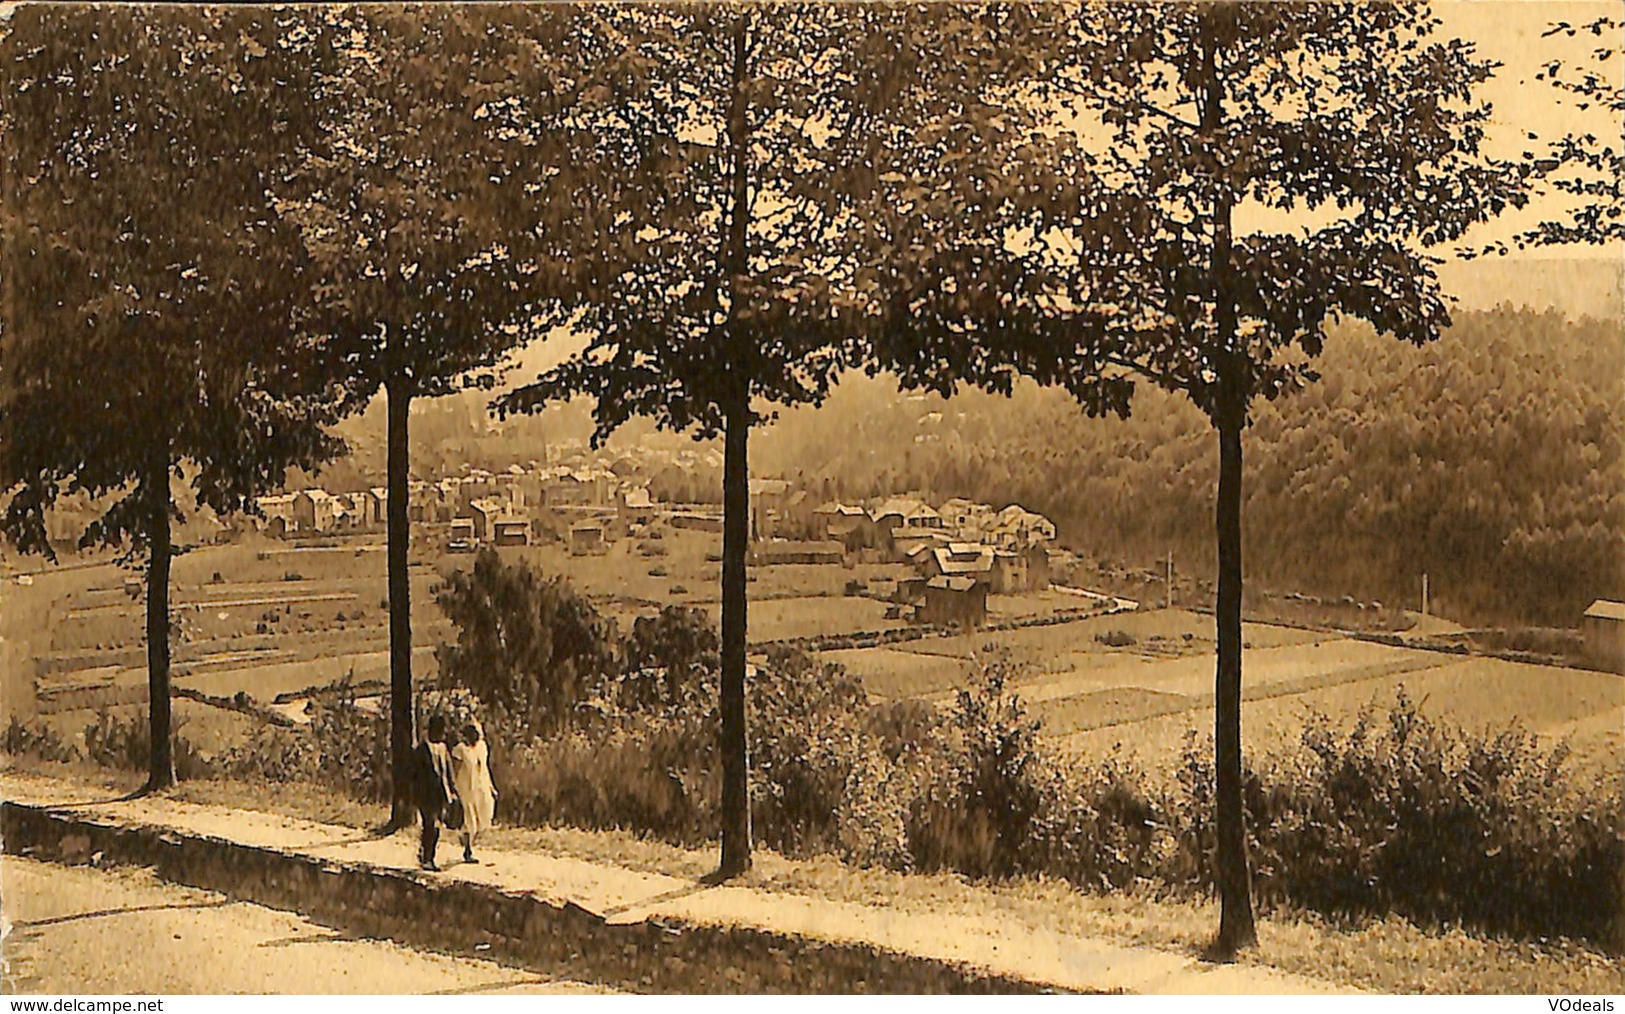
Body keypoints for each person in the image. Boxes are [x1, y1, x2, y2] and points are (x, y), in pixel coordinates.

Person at [449, 721, 496, 864]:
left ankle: (466, 838)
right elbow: (455, 769)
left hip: (480, 785)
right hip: (465, 787)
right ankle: (468, 850)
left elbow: (485, 768)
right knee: (470, 818)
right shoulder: (461, 750)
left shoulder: (482, 747)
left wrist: (491, 786)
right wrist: (453, 788)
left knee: (484, 814)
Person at [413, 714, 456, 871]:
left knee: (437, 828)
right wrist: (416, 795)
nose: (442, 734)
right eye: (440, 731)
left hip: (441, 794)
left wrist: (452, 790)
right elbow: (415, 775)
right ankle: (427, 858)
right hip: (426, 795)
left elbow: (448, 771)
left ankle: (428, 854)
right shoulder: (421, 749)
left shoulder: (443, 748)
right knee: (430, 825)